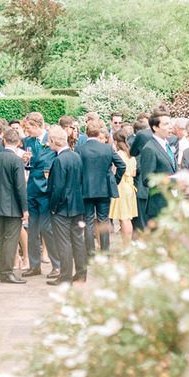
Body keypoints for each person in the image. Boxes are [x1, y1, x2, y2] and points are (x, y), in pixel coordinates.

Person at [77, 120, 126, 257]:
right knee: (103, 220)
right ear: (99, 133)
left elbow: (76, 169)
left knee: (88, 221)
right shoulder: (107, 148)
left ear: (86, 133)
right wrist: (114, 181)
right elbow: (121, 166)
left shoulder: (80, 149)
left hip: (86, 189)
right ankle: (105, 252)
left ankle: (90, 253)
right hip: (104, 189)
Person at [22, 112, 61, 279]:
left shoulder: (51, 141)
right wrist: (24, 160)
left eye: (28, 127)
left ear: (38, 125)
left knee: (47, 229)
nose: (26, 131)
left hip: (45, 191)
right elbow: (29, 165)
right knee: (32, 229)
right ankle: (34, 265)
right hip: (31, 189)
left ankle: (57, 266)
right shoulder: (27, 141)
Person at [46, 125, 87, 286]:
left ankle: (65, 277)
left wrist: (53, 207)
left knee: (64, 242)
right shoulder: (76, 156)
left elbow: (57, 188)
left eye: (49, 140)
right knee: (78, 241)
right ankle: (81, 273)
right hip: (77, 205)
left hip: (62, 208)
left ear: (53, 141)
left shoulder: (59, 160)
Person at [0, 128, 28, 284]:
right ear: (18, 143)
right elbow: (20, 187)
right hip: (13, 205)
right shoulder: (16, 160)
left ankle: (1, 270)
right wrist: (24, 208)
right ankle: (6, 271)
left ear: (4, 140)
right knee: (11, 240)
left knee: (2, 237)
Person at [138, 110, 177, 225]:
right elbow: (147, 179)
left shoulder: (166, 144)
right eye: (166, 124)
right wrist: (172, 180)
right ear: (155, 127)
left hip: (171, 202)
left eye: (170, 123)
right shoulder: (149, 148)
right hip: (159, 205)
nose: (170, 127)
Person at [109, 126, 138, 247]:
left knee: (124, 219)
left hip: (121, 186)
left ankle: (127, 246)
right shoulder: (131, 155)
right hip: (130, 185)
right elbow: (134, 173)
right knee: (127, 218)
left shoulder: (119, 155)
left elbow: (115, 171)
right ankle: (127, 245)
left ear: (116, 141)